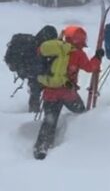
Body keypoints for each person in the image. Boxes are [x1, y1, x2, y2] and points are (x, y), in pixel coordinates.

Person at [33, 25, 103, 160]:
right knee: (81, 112)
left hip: (49, 92)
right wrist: (98, 57)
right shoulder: (78, 54)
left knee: (49, 121)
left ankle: (41, 147)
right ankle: (76, 136)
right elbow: (90, 67)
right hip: (67, 93)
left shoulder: (54, 49)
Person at [27, 25, 59, 113]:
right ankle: (38, 111)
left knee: (35, 92)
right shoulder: (40, 47)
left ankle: (34, 109)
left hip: (34, 74)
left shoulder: (36, 44)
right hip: (37, 74)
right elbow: (38, 64)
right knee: (38, 90)